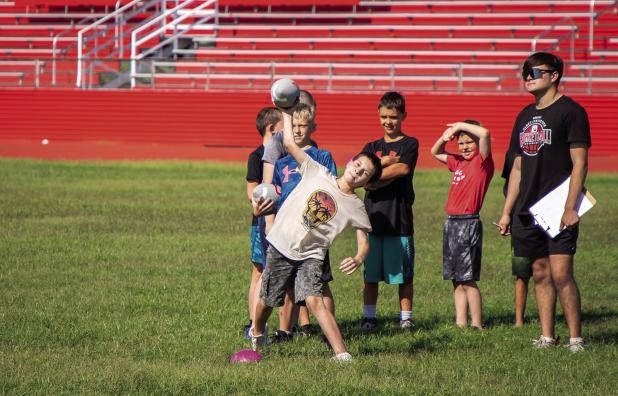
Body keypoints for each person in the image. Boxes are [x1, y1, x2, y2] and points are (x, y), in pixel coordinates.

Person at [249, 108, 383, 362]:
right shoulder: (318, 171)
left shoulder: (357, 207)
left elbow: (364, 242)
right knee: (268, 299)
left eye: (364, 172)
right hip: (282, 243)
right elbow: (288, 143)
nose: (358, 171)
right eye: (357, 164)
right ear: (350, 162)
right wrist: (287, 113)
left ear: (367, 183)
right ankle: (257, 335)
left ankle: (342, 354)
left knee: (315, 301)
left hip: (312, 254)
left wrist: (358, 258)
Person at [498, 52, 591, 352]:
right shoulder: (523, 116)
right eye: (524, 71)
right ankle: (547, 337)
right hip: (526, 208)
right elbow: (516, 167)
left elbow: (580, 164)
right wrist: (506, 211)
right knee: (539, 272)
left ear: (554, 76)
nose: (528, 76)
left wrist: (570, 206)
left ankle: (576, 339)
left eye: (535, 71)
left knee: (562, 273)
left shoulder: (571, 112)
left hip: (557, 206)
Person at [252, 90, 321, 340]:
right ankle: (258, 329)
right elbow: (267, 186)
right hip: (279, 223)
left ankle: (289, 330)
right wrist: (269, 220)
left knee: (308, 283)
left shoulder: (318, 152)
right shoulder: (278, 145)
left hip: (307, 228)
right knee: (273, 281)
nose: (300, 121)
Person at [270, 103, 338, 343]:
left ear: (313, 127)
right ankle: (284, 331)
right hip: (288, 231)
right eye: (294, 126)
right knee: (287, 283)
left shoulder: (322, 156)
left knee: (319, 284)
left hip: (314, 232)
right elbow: (278, 198)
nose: (298, 130)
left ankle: (330, 332)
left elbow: (331, 190)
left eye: (303, 125)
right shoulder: (282, 163)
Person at [360, 91, 419, 331]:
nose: (388, 122)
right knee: (370, 275)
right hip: (372, 220)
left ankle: (405, 318)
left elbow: (403, 169)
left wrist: (374, 177)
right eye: (384, 116)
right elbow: (360, 174)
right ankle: (369, 317)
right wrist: (383, 165)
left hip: (399, 220)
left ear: (403, 115)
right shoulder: (371, 146)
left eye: (393, 117)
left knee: (403, 275)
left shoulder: (410, 143)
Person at [431, 120, 494, 329]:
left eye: (469, 142)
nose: (465, 147)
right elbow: (435, 151)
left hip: (468, 223)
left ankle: (477, 324)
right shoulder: (458, 162)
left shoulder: (483, 162)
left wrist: (459, 125)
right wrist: (447, 135)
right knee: (456, 279)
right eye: (461, 143)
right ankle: (461, 323)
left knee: (467, 279)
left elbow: (484, 133)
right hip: (451, 223)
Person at [244, 107, 282, 339]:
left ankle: (286, 327)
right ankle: (253, 324)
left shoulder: (287, 154)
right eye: (283, 127)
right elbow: (251, 191)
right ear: (271, 129)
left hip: (286, 222)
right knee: (259, 271)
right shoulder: (257, 156)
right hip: (261, 222)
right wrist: (269, 195)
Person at [501, 150, 533, 328]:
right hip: (521, 217)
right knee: (522, 272)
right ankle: (518, 320)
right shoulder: (513, 152)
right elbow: (510, 185)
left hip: (546, 214)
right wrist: (508, 214)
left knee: (551, 272)